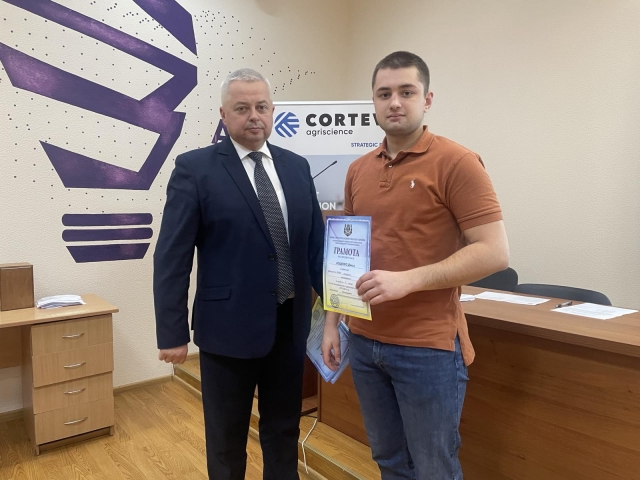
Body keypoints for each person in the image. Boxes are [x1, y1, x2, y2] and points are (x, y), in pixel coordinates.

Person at [321, 51, 509, 479]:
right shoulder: (357, 170)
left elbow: (494, 251)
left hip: (427, 349)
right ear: (373, 102)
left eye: (407, 92)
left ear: (427, 99)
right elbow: (345, 254)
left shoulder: (458, 162)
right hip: (364, 343)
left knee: (433, 468)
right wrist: (331, 324)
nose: (395, 103)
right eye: (384, 93)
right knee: (389, 461)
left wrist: (409, 280)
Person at [154, 68, 324, 480]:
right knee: (227, 441)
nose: (254, 116)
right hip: (227, 331)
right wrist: (171, 332)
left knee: (283, 430)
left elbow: (315, 248)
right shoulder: (195, 168)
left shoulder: (297, 167)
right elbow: (172, 256)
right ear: (223, 114)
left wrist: (340, 311)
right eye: (242, 108)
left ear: (273, 111)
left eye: (261, 107)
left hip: (289, 327)